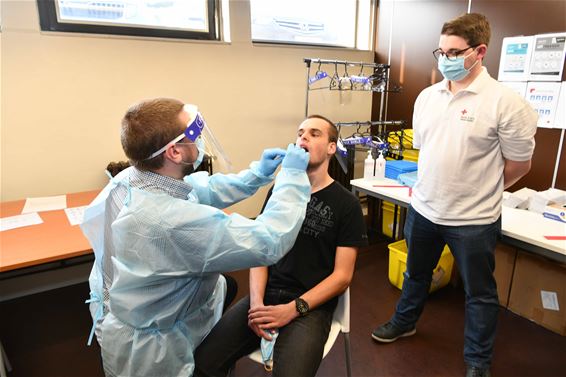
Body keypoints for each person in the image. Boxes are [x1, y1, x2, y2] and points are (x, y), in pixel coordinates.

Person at [80, 98, 313, 377]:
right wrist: (292, 176)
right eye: (194, 135)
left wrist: (256, 174)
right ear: (175, 152)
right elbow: (269, 240)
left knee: (225, 285)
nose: (200, 139)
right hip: (155, 350)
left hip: (131, 308)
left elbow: (199, 189)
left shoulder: (133, 178)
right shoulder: (172, 222)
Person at [370, 13, 538, 377]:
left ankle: (478, 361)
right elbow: (429, 150)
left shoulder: (506, 103)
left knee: (479, 294)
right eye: (440, 51)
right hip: (424, 209)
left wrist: (481, 188)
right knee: (416, 275)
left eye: (453, 52)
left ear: (479, 52)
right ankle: (405, 322)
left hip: (474, 221)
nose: (444, 58)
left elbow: (518, 165)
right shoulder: (428, 97)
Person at [194, 115, 368, 377]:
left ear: (332, 147)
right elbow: (260, 251)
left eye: (314, 133)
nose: (303, 138)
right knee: (203, 363)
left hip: (309, 307)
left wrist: (292, 309)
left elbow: (342, 277)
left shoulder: (347, 204)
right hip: (266, 296)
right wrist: (255, 304)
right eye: (300, 133)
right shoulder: (281, 190)